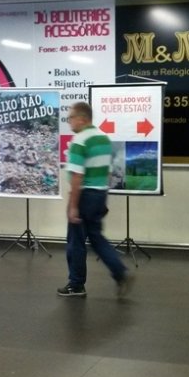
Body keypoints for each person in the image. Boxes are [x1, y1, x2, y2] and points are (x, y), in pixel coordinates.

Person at [58, 102, 132, 299]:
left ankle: (76, 284)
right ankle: (119, 272)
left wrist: (73, 206)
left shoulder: (80, 140)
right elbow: (108, 173)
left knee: (76, 241)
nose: (69, 122)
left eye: (71, 118)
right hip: (99, 194)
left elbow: (77, 177)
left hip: (84, 195)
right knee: (97, 237)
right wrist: (103, 198)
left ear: (82, 118)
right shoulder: (103, 138)